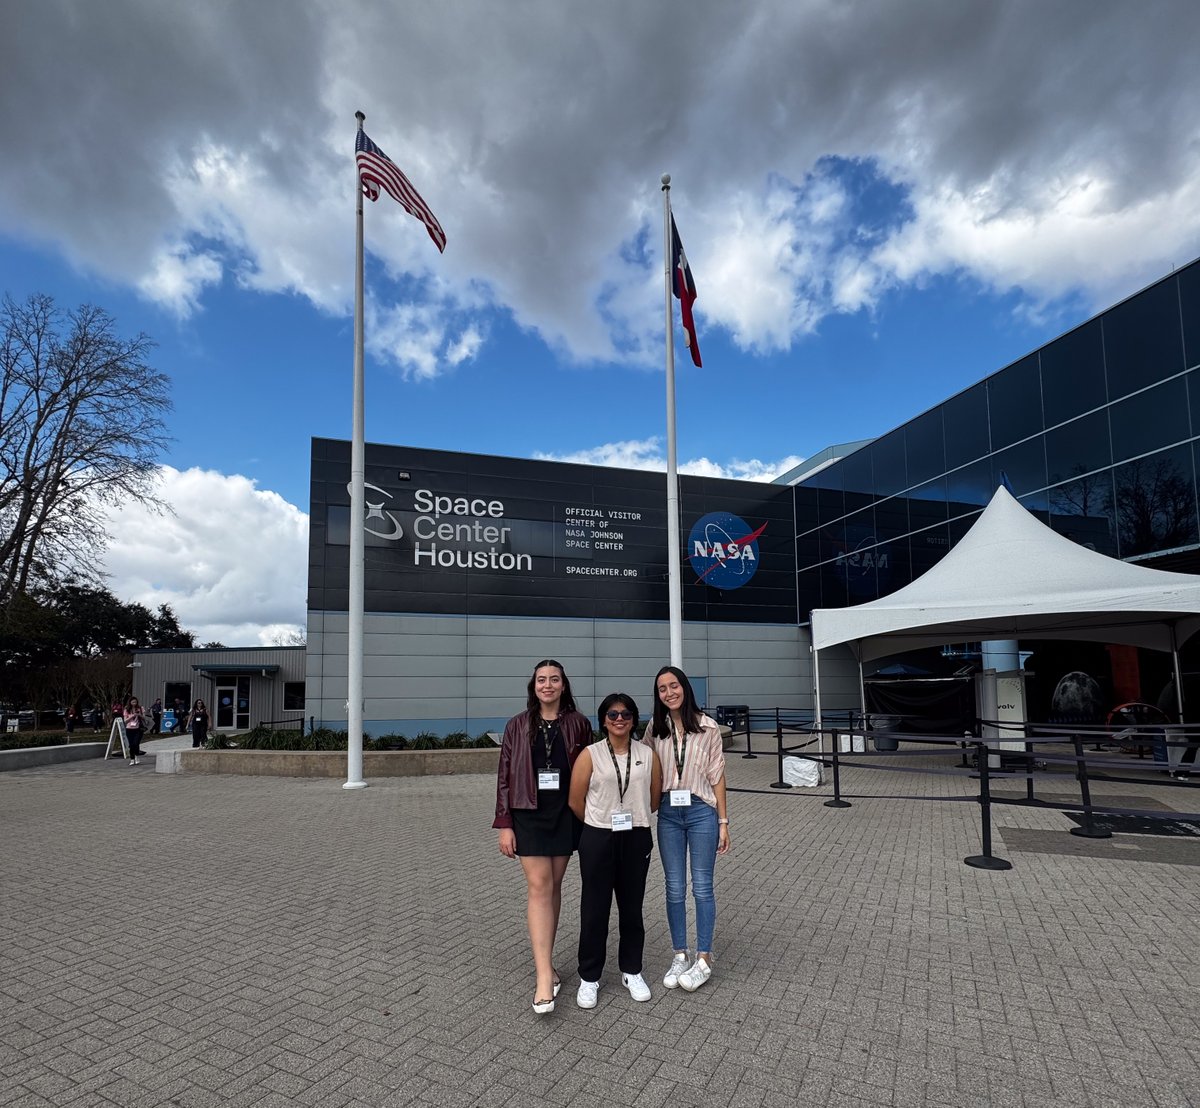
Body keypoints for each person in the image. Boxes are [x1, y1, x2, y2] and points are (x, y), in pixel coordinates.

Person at [493, 659, 593, 1015]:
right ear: (533, 686)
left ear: (564, 685)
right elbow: (504, 776)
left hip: (566, 815)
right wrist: (505, 823)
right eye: (541, 680)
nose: (547, 685)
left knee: (553, 886)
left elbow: (589, 771)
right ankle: (542, 978)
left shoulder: (579, 723)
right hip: (528, 814)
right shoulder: (517, 725)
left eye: (554, 679)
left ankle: (549, 965)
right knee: (539, 885)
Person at [568, 693, 662, 1009]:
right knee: (595, 908)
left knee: (632, 908)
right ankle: (589, 977)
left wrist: (633, 817)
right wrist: (598, 822)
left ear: (634, 719)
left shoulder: (647, 755)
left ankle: (631, 970)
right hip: (598, 837)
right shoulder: (590, 754)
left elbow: (654, 798)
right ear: (603, 720)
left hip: (636, 836)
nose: (618, 719)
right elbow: (575, 800)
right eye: (612, 714)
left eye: (625, 714)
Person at [647, 665, 730, 993]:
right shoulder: (655, 728)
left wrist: (723, 822)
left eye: (674, 685)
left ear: (685, 687)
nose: (669, 693)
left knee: (703, 888)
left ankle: (704, 959)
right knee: (674, 887)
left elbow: (717, 776)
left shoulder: (708, 728)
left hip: (701, 813)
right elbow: (648, 771)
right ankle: (679, 954)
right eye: (662, 689)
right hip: (668, 813)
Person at [123, 696, 147, 766]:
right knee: (131, 745)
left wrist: (139, 714)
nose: (134, 703)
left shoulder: (140, 708)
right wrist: (132, 716)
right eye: (133, 702)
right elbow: (125, 721)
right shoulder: (127, 709)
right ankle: (132, 759)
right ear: (130, 702)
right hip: (129, 729)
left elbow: (144, 718)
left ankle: (136, 756)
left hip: (138, 729)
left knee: (136, 743)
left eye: (135, 702)